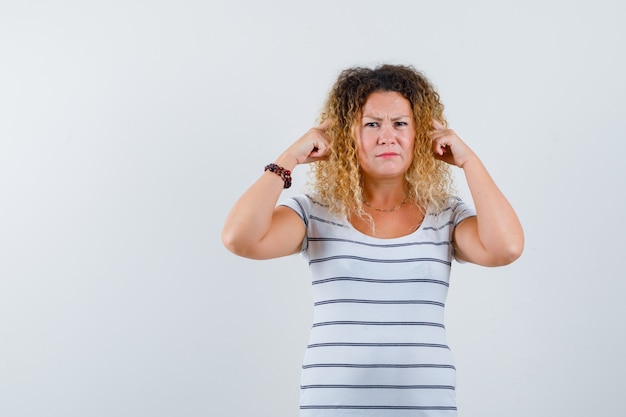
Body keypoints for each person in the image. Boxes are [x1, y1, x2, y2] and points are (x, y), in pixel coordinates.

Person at [222, 64, 524, 416]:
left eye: (400, 123)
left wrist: (469, 161)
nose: (386, 136)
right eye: (371, 124)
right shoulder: (315, 212)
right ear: (348, 136)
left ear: (420, 135)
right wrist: (289, 157)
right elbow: (239, 238)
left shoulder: (446, 214)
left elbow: (506, 247)